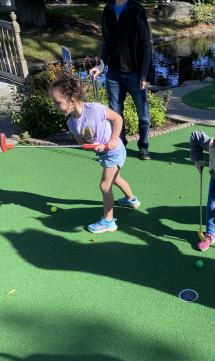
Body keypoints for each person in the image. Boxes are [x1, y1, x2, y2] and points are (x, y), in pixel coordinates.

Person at [49, 76, 140, 234]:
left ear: (72, 99)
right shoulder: (71, 123)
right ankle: (131, 200)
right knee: (115, 179)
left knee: (105, 186)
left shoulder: (95, 109)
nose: (54, 105)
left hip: (114, 150)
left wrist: (111, 141)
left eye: (57, 102)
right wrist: (91, 146)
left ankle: (108, 221)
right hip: (104, 154)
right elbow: (83, 144)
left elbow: (118, 119)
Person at [90, 0, 153, 161]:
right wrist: (101, 66)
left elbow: (147, 45)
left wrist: (144, 75)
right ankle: (120, 145)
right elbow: (106, 42)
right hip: (114, 74)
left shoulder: (137, 10)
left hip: (135, 73)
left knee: (143, 115)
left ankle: (144, 147)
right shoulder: (108, 9)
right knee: (115, 114)